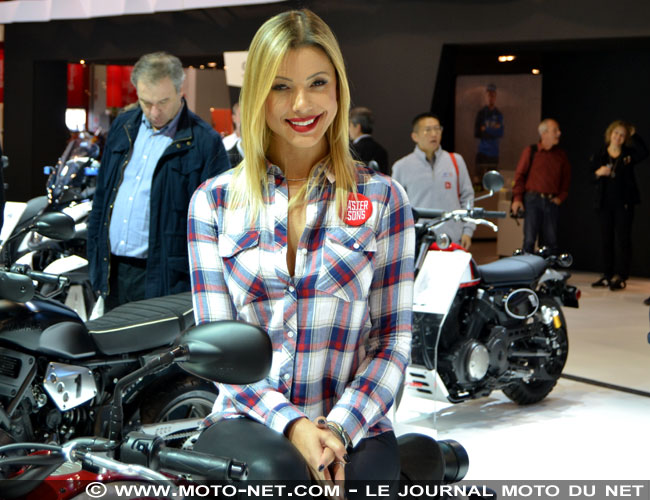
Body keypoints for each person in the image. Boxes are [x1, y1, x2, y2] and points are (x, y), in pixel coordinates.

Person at [187, 9, 414, 496]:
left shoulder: (383, 200)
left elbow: (393, 342)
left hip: (354, 425)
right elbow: (218, 354)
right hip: (249, 417)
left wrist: (337, 429)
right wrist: (293, 426)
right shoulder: (213, 202)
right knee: (278, 477)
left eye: (317, 83)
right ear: (257, 97)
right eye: (281, 86)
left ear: (338, 90)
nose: (303, 103)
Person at [87, 51, 230, 310]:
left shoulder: (204, 142)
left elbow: (219, 223)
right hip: (114, 272)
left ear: (180, 91)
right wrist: (95, 258)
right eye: (146, 102)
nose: (154, 112)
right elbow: (102, 198)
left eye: (163, 101)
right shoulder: (123, 127)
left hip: (165, 279)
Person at [392, 113, 475, 250]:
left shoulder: (455, 161)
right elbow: (396, 206)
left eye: (437, 129)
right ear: (415, 136)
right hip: (418, 240)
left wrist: (468, 231)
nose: (434, 134)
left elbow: (467, 197)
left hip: (452, 238)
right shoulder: (401, 166)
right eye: (428, 130)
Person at [590, 121, 648, 291]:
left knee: (623, 239)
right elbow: (590, 177)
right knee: (606, 239)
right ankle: (607, 274)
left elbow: (645, 152)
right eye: (616, 133)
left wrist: (635, 134)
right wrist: (598, 173)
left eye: (622, 135)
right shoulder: (600, 154)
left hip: (624, 204)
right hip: (604, 204)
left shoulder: (628, 155)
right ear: (610, 134)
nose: (618, 137)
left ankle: (621, 276)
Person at [511, 119, 571, 255]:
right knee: (529, 239)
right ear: (544, 133)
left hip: (551, 201)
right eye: (555, 130)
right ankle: (527, 269)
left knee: (551, 240)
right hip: (532, 199)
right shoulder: (531, 151)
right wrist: (517, 199)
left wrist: (561, 197)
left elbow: (566, 179)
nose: (558, 133)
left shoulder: (560, 155)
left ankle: (548, 270)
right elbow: (519, 176)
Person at [474, 83, 504, 185]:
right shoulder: (481, 113)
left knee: (493, 182)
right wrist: (492, 130)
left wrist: (486, 129)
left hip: (494, 153)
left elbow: (500, 132)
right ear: (486, 97)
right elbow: (477, 133)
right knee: (479, 181)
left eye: (493, 95)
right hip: (482, 152)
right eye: (489, 95)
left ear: (495, 97)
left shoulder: (498, 114)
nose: (491, 98)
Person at [349, 106, 389, 175]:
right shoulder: (381, 150)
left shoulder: (352, 150)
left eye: (349, 125)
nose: (348, 130)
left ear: (358, 127)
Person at [223, 101, 244, 166]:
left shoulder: (255, 142)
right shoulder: (226, 142)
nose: (244, 118)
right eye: (241, 115)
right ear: (234, 118)